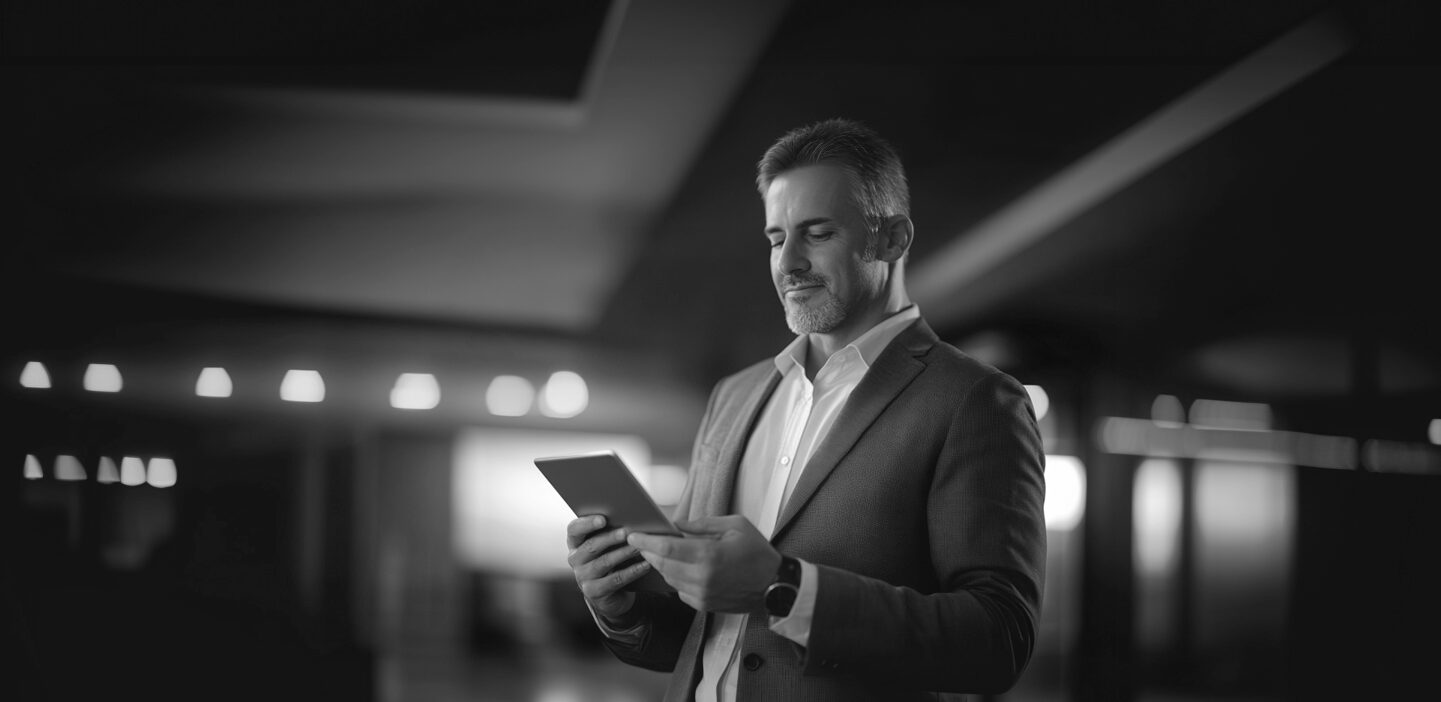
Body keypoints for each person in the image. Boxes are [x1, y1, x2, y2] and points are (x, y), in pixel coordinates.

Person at [565, 118, 1046, 702]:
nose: (787, 263)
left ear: (892, 239)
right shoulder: (734, 396)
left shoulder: (975, 402)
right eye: (775, 239)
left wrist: (782, 588)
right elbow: (689, 640)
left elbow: (998, 643)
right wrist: (619, 603)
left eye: (816, 233)